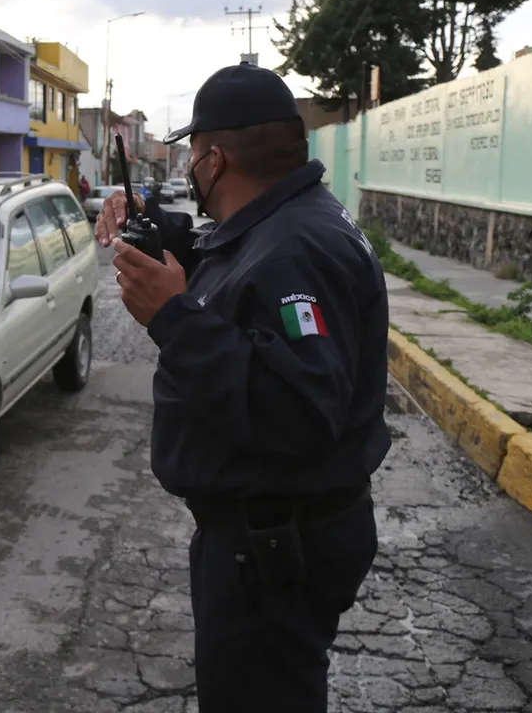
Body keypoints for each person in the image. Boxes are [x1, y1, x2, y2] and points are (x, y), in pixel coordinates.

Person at [94, 62, 390, 712]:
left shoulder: (298, 248)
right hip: (267, 541)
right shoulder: (283, 224)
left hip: (273, 550)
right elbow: (232, 266)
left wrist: (173, 318)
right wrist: (160, 231)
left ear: (216, 161)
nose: (194, 171)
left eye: (195, 155)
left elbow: (302, 416)